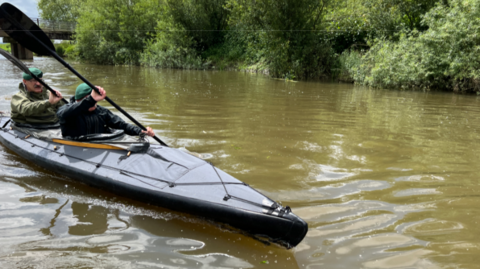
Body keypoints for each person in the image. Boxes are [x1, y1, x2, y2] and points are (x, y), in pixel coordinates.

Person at [57, 83, 155, 139]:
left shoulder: (102, 112)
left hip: (100, 144)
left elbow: (122, 125)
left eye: (94, 100)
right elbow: (63, 114)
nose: (93, 103)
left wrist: (141, 131)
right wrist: (90, 100)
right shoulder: (66, 110)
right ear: (78, 101)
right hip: (75, 147)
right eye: (88, 100)